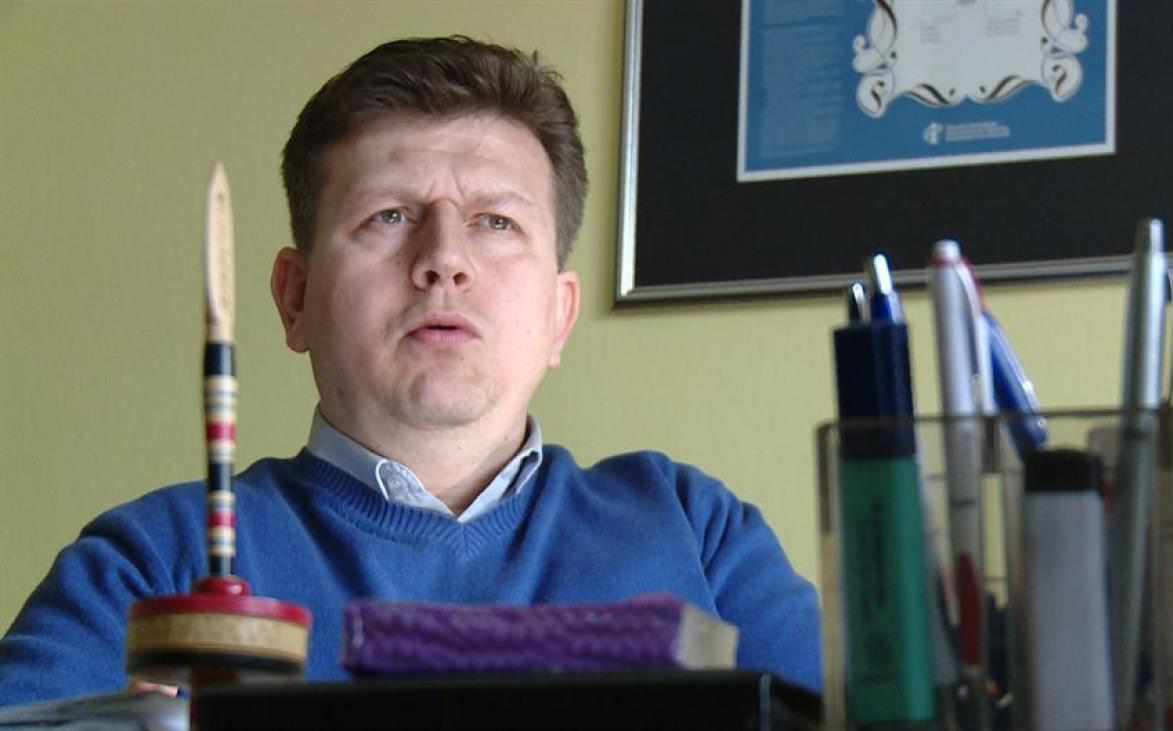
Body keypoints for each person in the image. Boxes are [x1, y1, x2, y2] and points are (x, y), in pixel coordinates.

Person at [0, 36, 821, 706]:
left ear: (559, 314)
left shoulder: (697, 531)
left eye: (495, 221)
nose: (443, 259)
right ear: (294, 297)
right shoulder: (153, 561)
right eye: (389, 215)